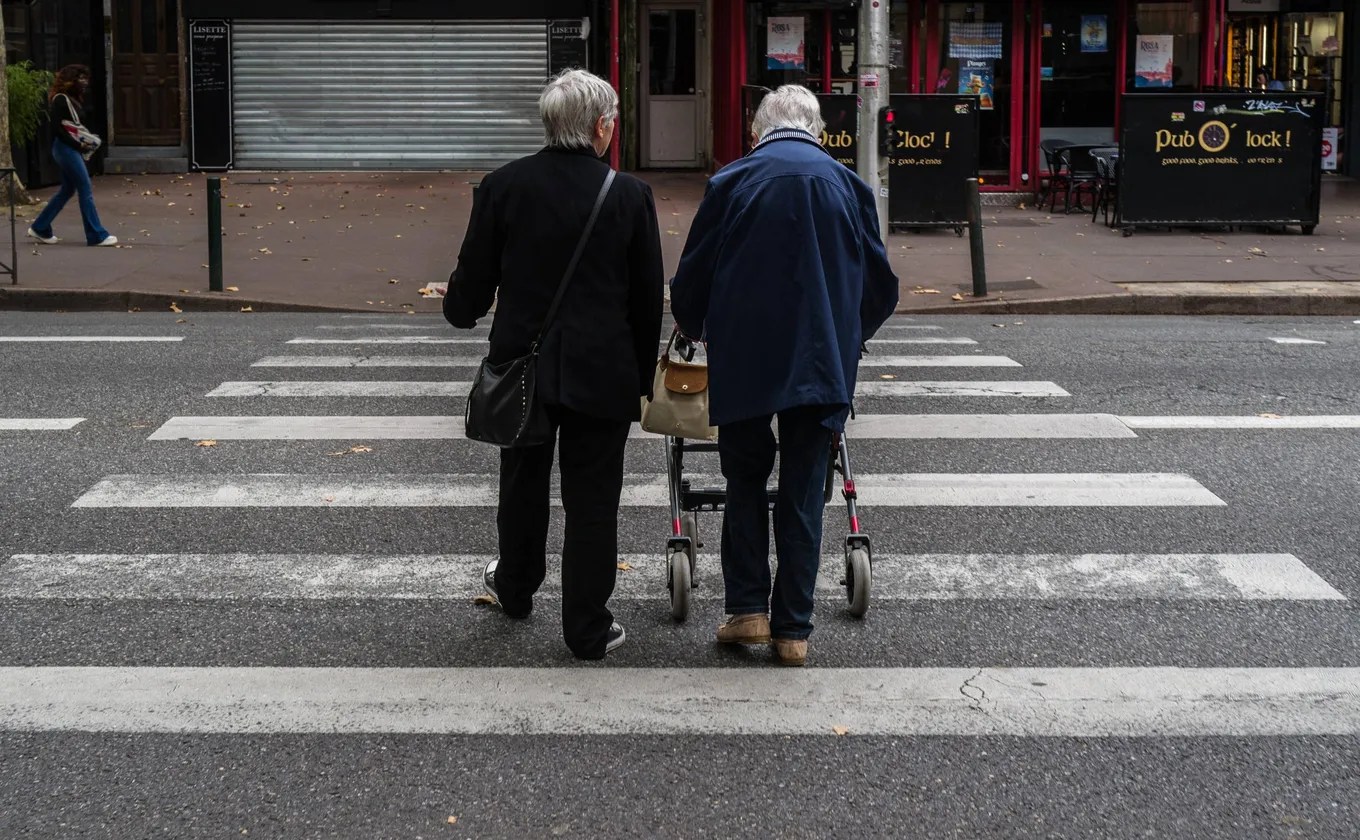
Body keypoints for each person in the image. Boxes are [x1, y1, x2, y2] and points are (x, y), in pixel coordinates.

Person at [669, 85, 898, 667]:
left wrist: (693, 326)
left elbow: (693, 276)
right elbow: (880, 287)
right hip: (822, 358)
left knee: (745, 479)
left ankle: (747, 608)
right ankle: (793, 630)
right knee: (804, 488)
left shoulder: (732, 182)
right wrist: (853, 335)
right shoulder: (850, 187)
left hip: (746, 355)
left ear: (758, 131)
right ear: (817, 130)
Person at [442, 69, 663, 660]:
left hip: (523, 369)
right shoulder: (630, 195)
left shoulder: (503, 187)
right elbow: (646, 303)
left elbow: (468, 293)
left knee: (522, 486)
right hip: (603, 372)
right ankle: (587, 627)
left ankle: (515, 588)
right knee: (593, 502)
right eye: (612, 121)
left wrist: (462, 307)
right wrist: (641, 384)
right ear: (600, 127)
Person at [27, 65, 116, 247]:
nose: (85, 82)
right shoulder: (61, 100)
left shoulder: (70, 99)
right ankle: (95, 234)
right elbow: (58, 130)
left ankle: (40, 227)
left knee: (68, 190)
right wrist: (79, 145)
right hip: (66, 148)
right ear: (70, 80)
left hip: (67, 148)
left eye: (86, 78)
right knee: (85, 187)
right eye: (80, 78)